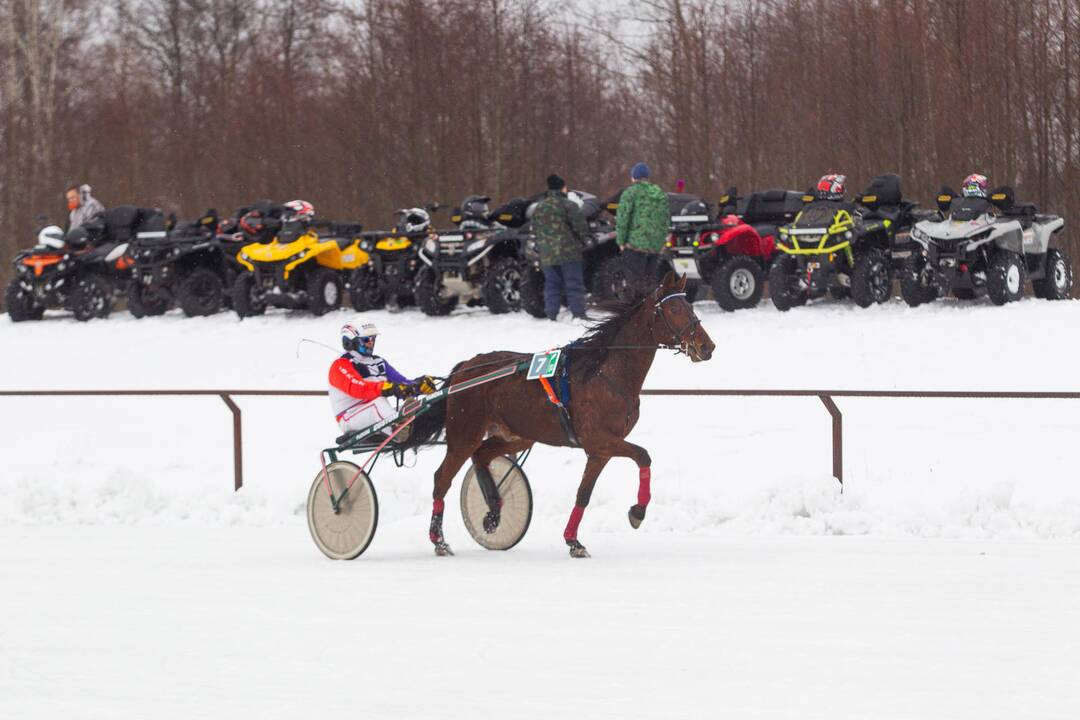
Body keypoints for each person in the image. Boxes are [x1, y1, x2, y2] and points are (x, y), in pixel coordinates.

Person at [328, 319, 436, 435]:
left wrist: (418, 386)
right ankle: (397, 431)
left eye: (373, 339)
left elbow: (401, 382)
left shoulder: (379, 362)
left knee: (420, 407)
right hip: (350, 416)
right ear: (350, 342)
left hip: (380, 413)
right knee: (378, 402)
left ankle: (413, 424)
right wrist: (387, 388)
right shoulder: (340, 364)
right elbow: (359, 388)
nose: (370, 343)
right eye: (365, 340)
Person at [531, 174, 589, 320]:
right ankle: (578, 315)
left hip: (547, 254)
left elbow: (535, 230)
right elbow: (580, 228)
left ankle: (551, 314)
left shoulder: (539, 207)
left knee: (551, 285)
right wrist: (584, 241)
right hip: (568, 252)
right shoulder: (569, 205)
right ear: (563, 188)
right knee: (574, 284)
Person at [615, 162, 670, 290]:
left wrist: (621, 241)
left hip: (635, 245)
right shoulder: (660, 193)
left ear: (634, 177)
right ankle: (650, 306)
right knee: (650, 281)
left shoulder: (630, 193)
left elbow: (623, 219)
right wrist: (661, 242)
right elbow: (665, 219)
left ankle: (638, 307)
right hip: (655, 246)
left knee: (635, 282)